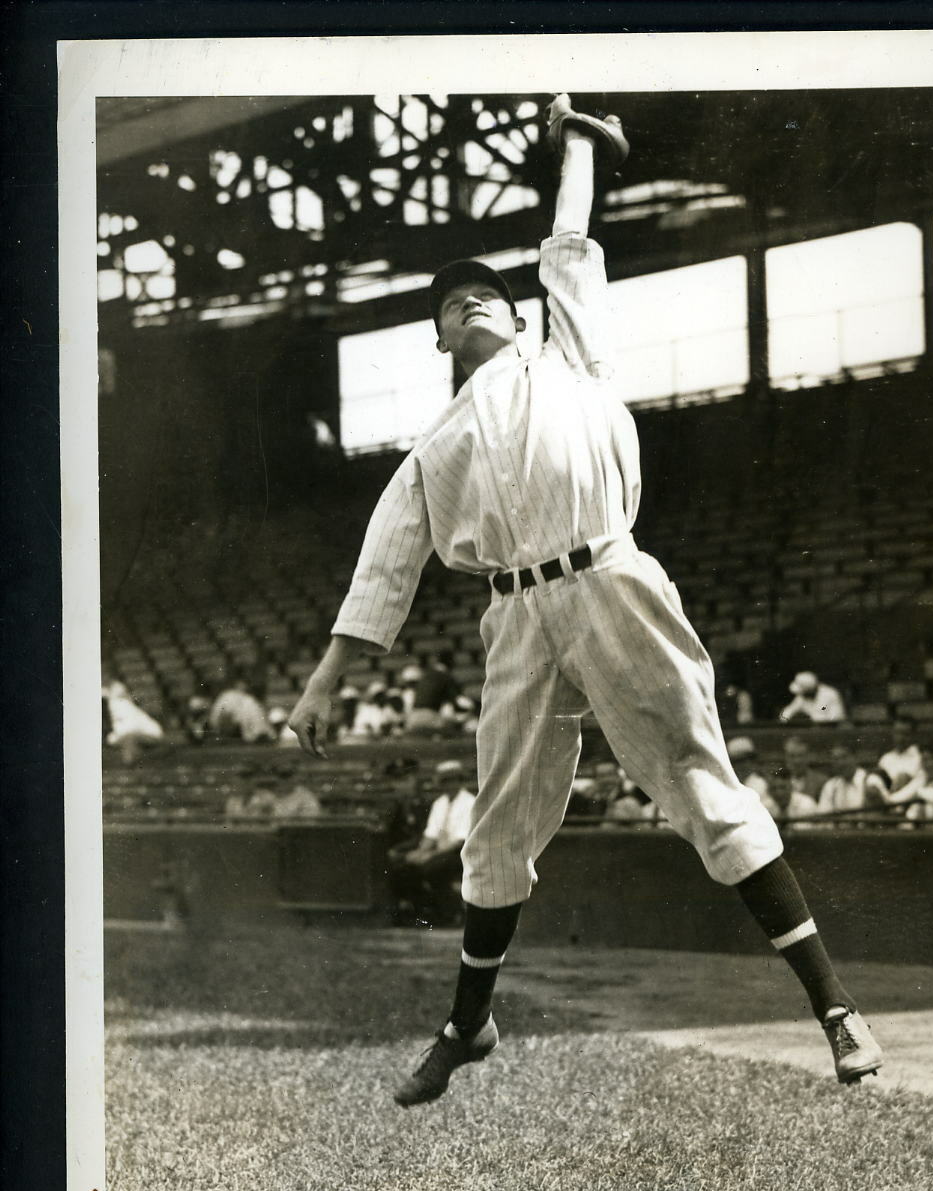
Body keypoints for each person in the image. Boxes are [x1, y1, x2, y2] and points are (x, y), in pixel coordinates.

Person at [289, 95, 883, 1105]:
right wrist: (322, 683)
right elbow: (382, 565)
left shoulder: (567, 350)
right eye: (449, 302)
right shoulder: (434, 444)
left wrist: (575, 143)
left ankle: (834, 1008)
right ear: (438, 339)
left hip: (609, 578)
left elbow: (568, 240)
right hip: (516, 618)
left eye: (484, 292)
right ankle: (467, 1023)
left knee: (702, 785)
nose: (469, 301)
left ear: (518, 313)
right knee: (497, 827)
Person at [387, 760, 475, 926]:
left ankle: (451, 912)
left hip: (461, 853)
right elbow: (430, 835)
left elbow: (459, 841)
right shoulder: (439, 803)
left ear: (459, 781)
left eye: (452, 780)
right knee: (405, 867)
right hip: (440, 852)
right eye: (445, 781)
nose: (448, 785)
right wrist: (420, 852)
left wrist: (429, 855)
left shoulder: (470, 802)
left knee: (431, 868)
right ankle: (424, 912)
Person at [867, 739, 933, 821]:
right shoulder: (918, 782)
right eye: (925, 760)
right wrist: (880, 791)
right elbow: (895, 800)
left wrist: (922, 793)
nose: (928, 764)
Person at [208, 673, 274, 744]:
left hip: (243, 726)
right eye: (240, 684)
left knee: (251, 706)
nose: (242, 686)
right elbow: (216, 715)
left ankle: (259, 733)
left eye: (244, 684)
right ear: (236, 684)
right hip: (227, 724)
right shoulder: (226, 695)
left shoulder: (249, 698)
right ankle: (258, 734)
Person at [817, 744, 878, 817]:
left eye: (844, 757)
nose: (841, 763)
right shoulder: (830, 786)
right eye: (836, 759)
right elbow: (824, 818)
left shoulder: (871, 781)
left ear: (855, 757)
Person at [779, 670, 847, 724]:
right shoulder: (802, 697)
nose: (802, 695)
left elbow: (836, 718)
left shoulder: (830, 694)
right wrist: (790, 718)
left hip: (830, 733)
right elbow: (786, 713)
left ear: (809, 690)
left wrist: (810, 718)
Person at [877, 715, 922, 791]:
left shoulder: (920, 757)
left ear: (913, 735)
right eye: (897, 733)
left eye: (905, 734)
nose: (900, 738)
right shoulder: (886, 758)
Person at [783, 736, 828, 803]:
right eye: (792, 756)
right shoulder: (778, 782)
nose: (797, 761)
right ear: (786, 757)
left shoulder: (821, 782)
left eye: (800, 756)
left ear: (808, 757)